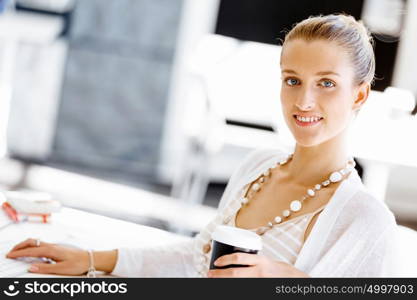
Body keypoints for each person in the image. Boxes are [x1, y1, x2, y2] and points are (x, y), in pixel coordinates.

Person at [6, 14, 399, 277]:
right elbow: (195, 258)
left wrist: (277, 277)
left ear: (360, 96)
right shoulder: (258, 167)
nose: (304, 102)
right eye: (292, 80)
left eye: (326, 83)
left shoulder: (365, 219)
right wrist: (94, 259)